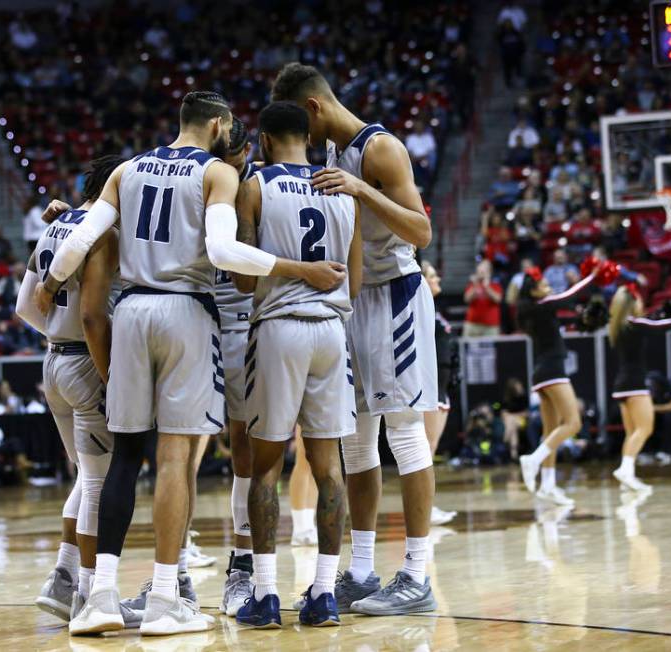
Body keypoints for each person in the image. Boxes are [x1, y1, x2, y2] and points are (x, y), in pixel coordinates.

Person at [34, 91, 344, 636]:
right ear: (219, 125)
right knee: (176, 457)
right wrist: (302, 270)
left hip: (130, 311)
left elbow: (82, 237)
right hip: (185, 311)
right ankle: (164, 599)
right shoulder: (218, 173)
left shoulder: (127, 168)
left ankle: (99, 597)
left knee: (126, 454)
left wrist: (50, 283)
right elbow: (224, 253)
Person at [272, 62, 439, 616]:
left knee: (405, 434)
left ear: (314, 108)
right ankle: (362, 571)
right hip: (354, 302)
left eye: (303, 123)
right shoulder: (324, 155)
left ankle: (417, 575)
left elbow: (421, 231)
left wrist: (362, 189)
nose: (302, 136)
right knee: (356, 442)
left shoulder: (381, 149)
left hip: (395, 296)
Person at [232, 101, 361, 629]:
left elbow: (242, 277)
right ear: (309, 137)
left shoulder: (256, 185)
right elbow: (352, 276)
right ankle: (325, 594)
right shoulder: (342, 188)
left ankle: (264, 595)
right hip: (332, 331)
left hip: (280, 330)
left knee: (266, 467)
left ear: (263, 140)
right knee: (329, 468)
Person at [16, 155, 125, 631]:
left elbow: (24, 307)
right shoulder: (100, 233)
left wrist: (56, 336)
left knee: (86, 475)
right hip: (84, 360)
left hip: (53, 361)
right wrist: (105, 372)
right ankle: (86, 591)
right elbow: (90, 315)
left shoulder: (53, 227)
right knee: (98, 481)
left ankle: (60, 578)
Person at [211, 117, 259, 617]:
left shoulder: (258, 186)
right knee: (181, 450)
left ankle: (244, 563)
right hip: (200, 321)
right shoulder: (198, 181)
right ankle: (175, 574)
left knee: (247, 448)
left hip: (244, 325)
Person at [517, 264, 604, 506]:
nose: (548, 288)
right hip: (553, 371)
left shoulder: (536, 310)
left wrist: (583, 319)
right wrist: (593, 277)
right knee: (573, 422)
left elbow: (565, 320)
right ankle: (533, 460)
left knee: (551, 431)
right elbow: (569, 295)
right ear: (533, 291)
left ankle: (548, 485)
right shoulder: (542, 305)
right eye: (543, 285)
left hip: (542, 372)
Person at [607, 285, 671, 492]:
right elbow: (658, 327)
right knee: (645, 429)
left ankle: (628, 476)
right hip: (634, 384)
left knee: (632, 432)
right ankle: (625, 469)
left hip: (621, 385)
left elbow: (652, 320)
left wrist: (663, 313)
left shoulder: (618, 325)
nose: (642, 303)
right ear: (633, 304)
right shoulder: (634, 323)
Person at [420, 262, 457, 526]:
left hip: (442, 387)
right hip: (429, 388)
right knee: (425, 449)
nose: (437, 279)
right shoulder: (419, 308)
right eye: (432, 276)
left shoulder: (435, 309)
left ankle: (428, 507)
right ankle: (424, 508)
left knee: (431, 449)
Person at [463, 260, 503, 337]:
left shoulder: (495, 284)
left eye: (484, 269)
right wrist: (475, 285)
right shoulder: (472, 284)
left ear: (489, 272)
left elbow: (498, 299)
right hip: (472, 325)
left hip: (490, 326)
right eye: (480, 269)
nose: (481, 271)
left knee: (491, 349)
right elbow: (467, 299)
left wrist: (487, 287)